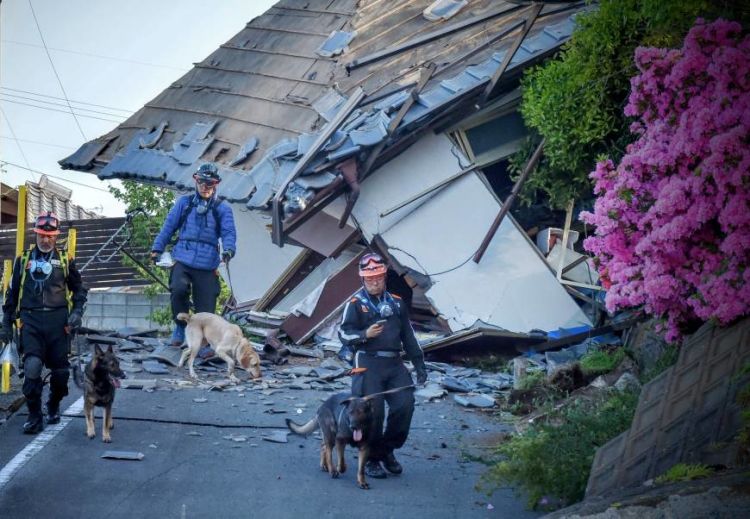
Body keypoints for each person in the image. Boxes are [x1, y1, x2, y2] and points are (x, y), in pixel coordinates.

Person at [338, 252, 428, 479]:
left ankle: (386, 450)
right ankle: (370, 458)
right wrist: (363, 334)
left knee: (404, 406)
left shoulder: (397, 303)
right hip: (368, 361)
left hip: (394, 362)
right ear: (363, 280)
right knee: (373, 412)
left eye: (378, 277)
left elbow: (408, 335)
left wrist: (419, 364)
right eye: (370, 279)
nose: (375, 282)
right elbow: (343, 334)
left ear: (384, 276)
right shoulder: (356, 304)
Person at [1, 212, 87, 434]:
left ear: (56, 236)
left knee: (60, 374)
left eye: (50, 235)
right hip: (30, 321)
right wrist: (6, 323)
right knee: (32, 367)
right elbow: (11, 295)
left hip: (59, 323)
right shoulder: (23, 260)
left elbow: (79, 290)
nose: (45, 239)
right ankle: (34, 415)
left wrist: (77, 312)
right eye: (41, 235)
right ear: (36, 234)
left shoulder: (66, 260)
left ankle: (53, 405)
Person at [151, 163, 237, 347]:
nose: (205, 187)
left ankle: (205, 342)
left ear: (216, 185)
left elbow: (229, 233)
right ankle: (181, 328)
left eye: (210, 183)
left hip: (207, 263)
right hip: (183, 256)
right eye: (202, 182)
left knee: (206, 307)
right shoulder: (185, 203)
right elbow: (168, 227)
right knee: (178, 290)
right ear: (195, 181)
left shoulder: (222, 208)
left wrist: (229, 249)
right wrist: (157, 248)